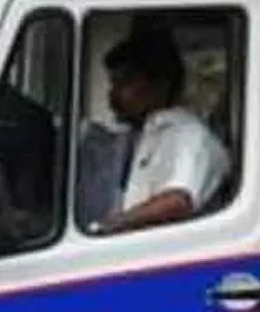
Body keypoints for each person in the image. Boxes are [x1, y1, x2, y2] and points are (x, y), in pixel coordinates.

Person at [90, 28, 230, 236]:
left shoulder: (189, 135)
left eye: (124, 83)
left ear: (160, 85)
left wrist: (111, 225)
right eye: (113, 84)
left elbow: (178, 200)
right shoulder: (138, 136)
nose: (113, 94)